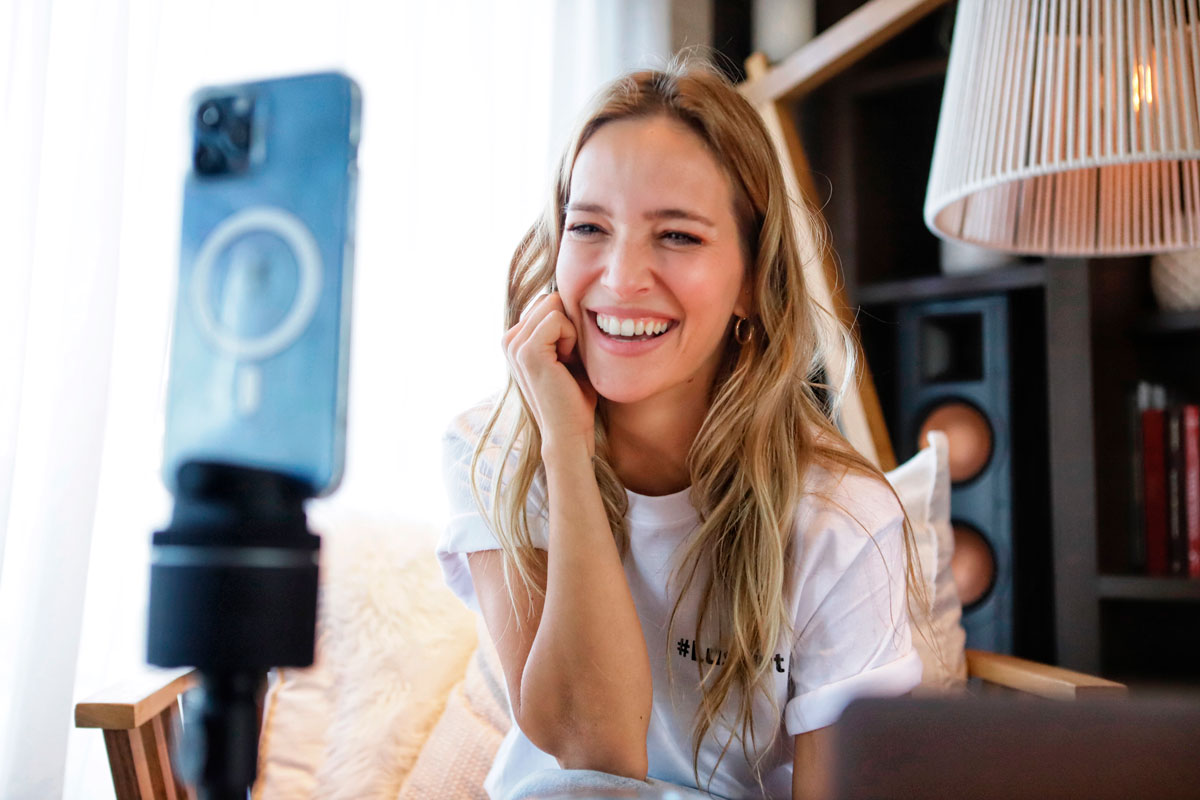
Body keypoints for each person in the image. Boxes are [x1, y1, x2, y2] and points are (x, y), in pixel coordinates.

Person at [437, 59, 928, 800]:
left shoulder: (839, 519)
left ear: (752, 284)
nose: (621, 277)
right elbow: (591, 746)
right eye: (588, 227)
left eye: (677, 236)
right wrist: (566, 447)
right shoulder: (496, 451)